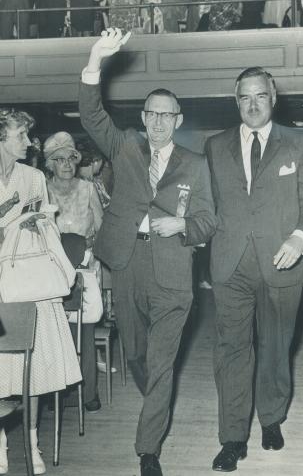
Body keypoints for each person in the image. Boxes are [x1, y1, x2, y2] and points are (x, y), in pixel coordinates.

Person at [79, 28, 216, 476]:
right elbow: (91, 114)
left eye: (166, 116)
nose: (158, 122)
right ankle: (156, 404)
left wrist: (183, 224)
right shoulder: (125, 148)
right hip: (128, 264)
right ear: (143, 118)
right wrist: (96, 59)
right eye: (151, 114)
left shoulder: (196, 164)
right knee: (136, 353)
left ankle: (147, 450)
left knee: (162, 363)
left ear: (178, 120)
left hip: (175, 271)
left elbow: (209, 221)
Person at [205, 66, 303, 472]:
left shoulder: (299, 142)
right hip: (231, 265)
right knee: (232, 352)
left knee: (275, 348)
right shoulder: (215, 146)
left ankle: (271, 419)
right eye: (244, 97)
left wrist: (300, 238)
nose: (252, 104)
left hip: (282, 261)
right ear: (235, 100)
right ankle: (232, 437)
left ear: (273, 97)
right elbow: (209, 207)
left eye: (260, 95)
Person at [0, 110, 81, 475]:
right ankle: (0, 442)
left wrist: (33, 220)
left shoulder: (33, 177)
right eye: (20, 135)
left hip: (28, 280)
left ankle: (31, 442)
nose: (28, 142)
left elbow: (45, 229)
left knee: (32, 372)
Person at [43, 131, 104, 413]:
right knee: (55, 334)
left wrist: (89, 245)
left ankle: (88, 393)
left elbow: (102, 228)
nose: (66, 164)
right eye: (59, 159)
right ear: (50, 164)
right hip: (53, 270)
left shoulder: (88, 189)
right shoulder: (42, 191)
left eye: (71, 158)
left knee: (85, 332)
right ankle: (58, 394)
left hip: (84, 268)